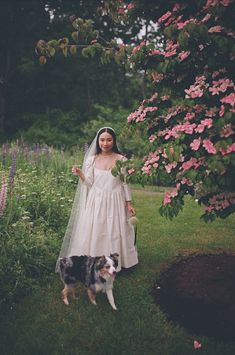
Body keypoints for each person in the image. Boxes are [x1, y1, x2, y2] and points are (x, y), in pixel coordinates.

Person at [56, 127, 138, 272]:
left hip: (115, 199)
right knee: (97, 230)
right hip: (97, 199)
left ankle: (116, 261)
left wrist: (129, 203)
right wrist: (81, 174)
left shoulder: (121, 160)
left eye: (109, 140)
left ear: (114, 141)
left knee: (115, 230)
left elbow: (125, 183)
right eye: (102, 140)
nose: (105, 143)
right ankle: (95, 259)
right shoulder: (92, 160)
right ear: (98, 141)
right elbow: (89, 183)